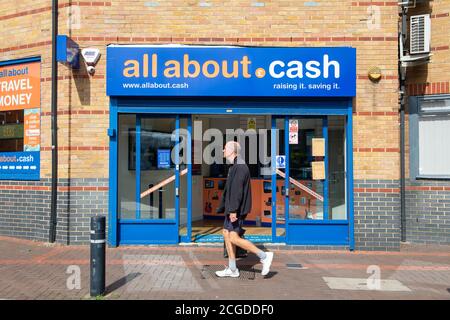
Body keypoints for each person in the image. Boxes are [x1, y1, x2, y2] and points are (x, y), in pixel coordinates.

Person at [215, 141, 274, 278]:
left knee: (233, 237)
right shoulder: (235, 166)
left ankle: (264, 255)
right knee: (226, 233)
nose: (223, 151)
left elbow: (237, 191)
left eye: (224, 149)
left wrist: (234, 211)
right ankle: (232, 268)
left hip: (236, 210)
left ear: (231, 151)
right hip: (232, 209)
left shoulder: (240, 167)